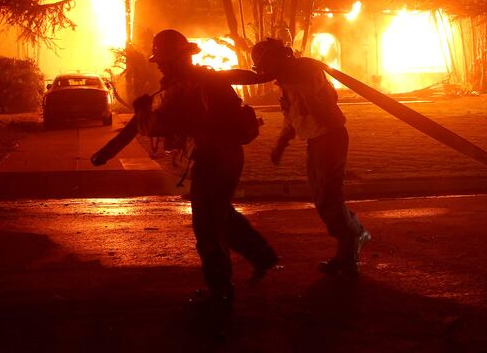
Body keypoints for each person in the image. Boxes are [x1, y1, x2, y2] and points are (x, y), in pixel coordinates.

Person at [91, 29, 278, 310]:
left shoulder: (184, 88)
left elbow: (157, 126)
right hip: (227, 156)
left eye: (163, 61)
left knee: (207, 226)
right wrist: (106, 153)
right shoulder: (205, 78)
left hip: (215, 158)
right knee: (220, 213)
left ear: (178, 59)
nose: (160, 66)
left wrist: (142, 111)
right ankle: (261, 255)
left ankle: (221, 290)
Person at [251, 38, 371, 276]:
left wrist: (291, 77)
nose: (266, 71)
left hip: (330, 138)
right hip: (316, 143)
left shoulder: (306, 73)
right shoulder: (288, 82)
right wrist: (281, 144)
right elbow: (293, 116)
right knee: (322, 199)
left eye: (267, 64)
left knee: (329, 199)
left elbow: (318, 98)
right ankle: (355, 234)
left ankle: (349, 251)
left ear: (278, 58)